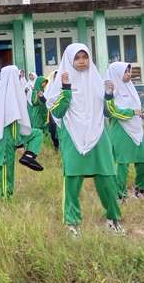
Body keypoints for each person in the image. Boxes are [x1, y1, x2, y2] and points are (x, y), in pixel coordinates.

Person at [44, 44, 123, 235]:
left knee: (107, 178)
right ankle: (72, 224)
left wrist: (109, 95)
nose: (81, 61)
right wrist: (66, 89)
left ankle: (113, 219)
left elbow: (107, 112)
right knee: (72, 180)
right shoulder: (61, 83)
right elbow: (58, 112)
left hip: (98, 133)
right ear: (69, 60)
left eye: (85, 57)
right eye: (77, 58)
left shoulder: (97, 80)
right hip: (73, 134)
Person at [0, 66, 43, 199]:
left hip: (14, 134)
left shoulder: (11, 93)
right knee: (6, 168)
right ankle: (6, 196)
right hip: (5, 137)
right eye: (16, 76)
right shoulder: (6, 95)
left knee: (37, 134)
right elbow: (10, 119)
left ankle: (29, 156)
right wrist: (17, 142)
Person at [105, 61, 144, 202]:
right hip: (120, 130)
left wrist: (141, 113)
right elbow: (112, 111)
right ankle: (120, 195)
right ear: (117, 73)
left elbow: (135, 107)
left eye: (129, 71)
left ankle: (140, 190)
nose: (129, 74)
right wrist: (133, 112)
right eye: (126, 71)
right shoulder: (110, 90)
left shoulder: (130, 87)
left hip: (137, 129)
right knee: (122, 164)